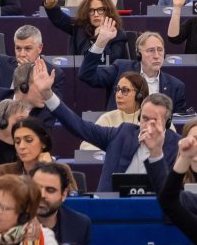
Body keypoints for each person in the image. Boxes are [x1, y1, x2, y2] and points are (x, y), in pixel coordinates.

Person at [29, 61, 181, 192]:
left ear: (167, 123)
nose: (148, 125)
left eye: (155, 120)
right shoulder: (121, 134)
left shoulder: (176, 145)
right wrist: (48, 95)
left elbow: (174, 192)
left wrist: (156, 151)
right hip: (110, 207)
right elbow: (78, 125)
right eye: (145, 118)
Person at [79, 27, 186, 111]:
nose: (156, 55)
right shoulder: (121, 69)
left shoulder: (175, 86)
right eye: (151, 50)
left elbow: (177, 123)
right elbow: (86, 74)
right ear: (139, 53)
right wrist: (100, 43)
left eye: (160, 50)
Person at [0, 119, 78, 192]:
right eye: (17, 142)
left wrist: (50, 169)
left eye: (29, 140)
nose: (21, 146)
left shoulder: (62, 170)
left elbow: (71, 201)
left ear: (43, 143)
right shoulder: (4, 171)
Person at [43, 0, 129, 62]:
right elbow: (57, 18)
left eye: (100, 10)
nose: (96, 14)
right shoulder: (79, 28)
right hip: (79, 74)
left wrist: (101, 38)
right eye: (91, 10)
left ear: (108, 12)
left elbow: (110, 60)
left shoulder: (118, 34)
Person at [79, 72, 147, 151]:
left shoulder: (149, 118)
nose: (118, 95)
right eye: (117, 89)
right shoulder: (109, 118)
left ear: (139, 95)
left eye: (125, 90)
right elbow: (86, 146)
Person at [29, 162, 92, 245]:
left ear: (63, 195)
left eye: (50, 190)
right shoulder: (14, 222)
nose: (42, 195)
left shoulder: (80, 224)